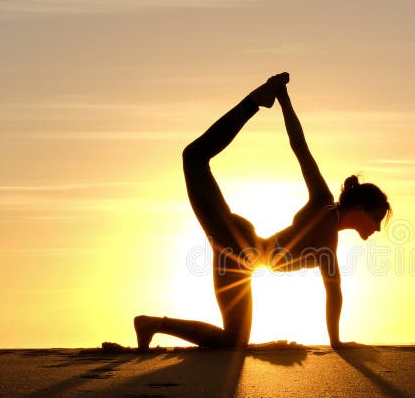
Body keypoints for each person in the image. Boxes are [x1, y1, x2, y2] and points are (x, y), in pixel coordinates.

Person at [134, 73, 391, 350]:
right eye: (376, 218)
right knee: (194, 158)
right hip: (238, 246)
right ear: (361, 208)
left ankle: (152, 324)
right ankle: (254, 101)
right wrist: (283, 99)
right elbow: (300, 147)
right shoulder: (323, 205)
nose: (377, 228)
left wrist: (336, 340)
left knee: (234, 340)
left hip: (240, 251)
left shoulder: (329, 234)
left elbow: (334, 293)